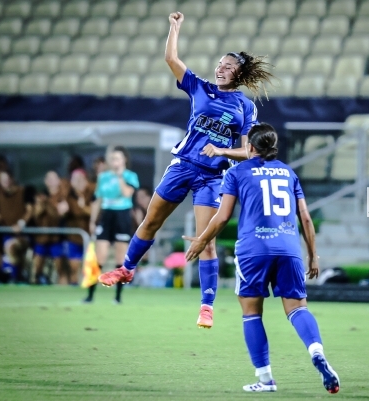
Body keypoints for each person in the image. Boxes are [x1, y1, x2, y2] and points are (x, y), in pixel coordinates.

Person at [98, 11, 274, 329]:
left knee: (205, 240)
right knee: (151, 220)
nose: (220, 68)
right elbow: (171, 58)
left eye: (228, 66)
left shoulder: (245, 107)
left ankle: (206, 307)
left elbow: (249, 150)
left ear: (239, 74)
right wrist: (175, 27)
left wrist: (222, 151)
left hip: (212, 177)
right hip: (183, 165)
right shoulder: (199, 87)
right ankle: (126, 269)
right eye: (219, 64)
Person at [184, 123, 340, 394]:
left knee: (252, 313)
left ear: (250, 147)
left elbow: (222, 216)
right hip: (289, 248)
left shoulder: (237, 172)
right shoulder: (289, 173)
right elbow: (305, 218)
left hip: (253, 250)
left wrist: (202, 240)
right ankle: (316, 351)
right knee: (297, 308)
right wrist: (313, 255)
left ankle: (266, 379)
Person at [86, 146, 139, 304]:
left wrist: (119, 176)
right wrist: (92, 221)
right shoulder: (103, 177)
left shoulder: (130, 176)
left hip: (122, 215)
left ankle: (118, 296)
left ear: (124, 160)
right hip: (106, 215)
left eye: (117, 158)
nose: (114, 161)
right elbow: (98, 199)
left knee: (120, 258)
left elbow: (127, 193)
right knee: (99, 257)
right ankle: (90, 295)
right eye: (112, 158)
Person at [32, 171, 69, 285]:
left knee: (61, 270)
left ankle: (64, 290)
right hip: (42, 238)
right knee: (36, 269)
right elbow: (36, 215)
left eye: (53, 179)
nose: (51, 181)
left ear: (58, 181)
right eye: (48, 179)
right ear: (45, 182)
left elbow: (61, 214)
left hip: (57, 238)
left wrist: (47, 205)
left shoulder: (63, 196)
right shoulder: (41, 196)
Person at [65, 169, 93, 285]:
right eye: (75, 179)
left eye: (81, 179)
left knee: (89, 269)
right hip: (74, 237)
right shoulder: (68, 196)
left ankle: (89, 289)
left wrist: (83, 207)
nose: (78, 182)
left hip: (90, 237)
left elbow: (94, 212)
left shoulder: (92, 193)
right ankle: (74, 286)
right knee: (74, 268)